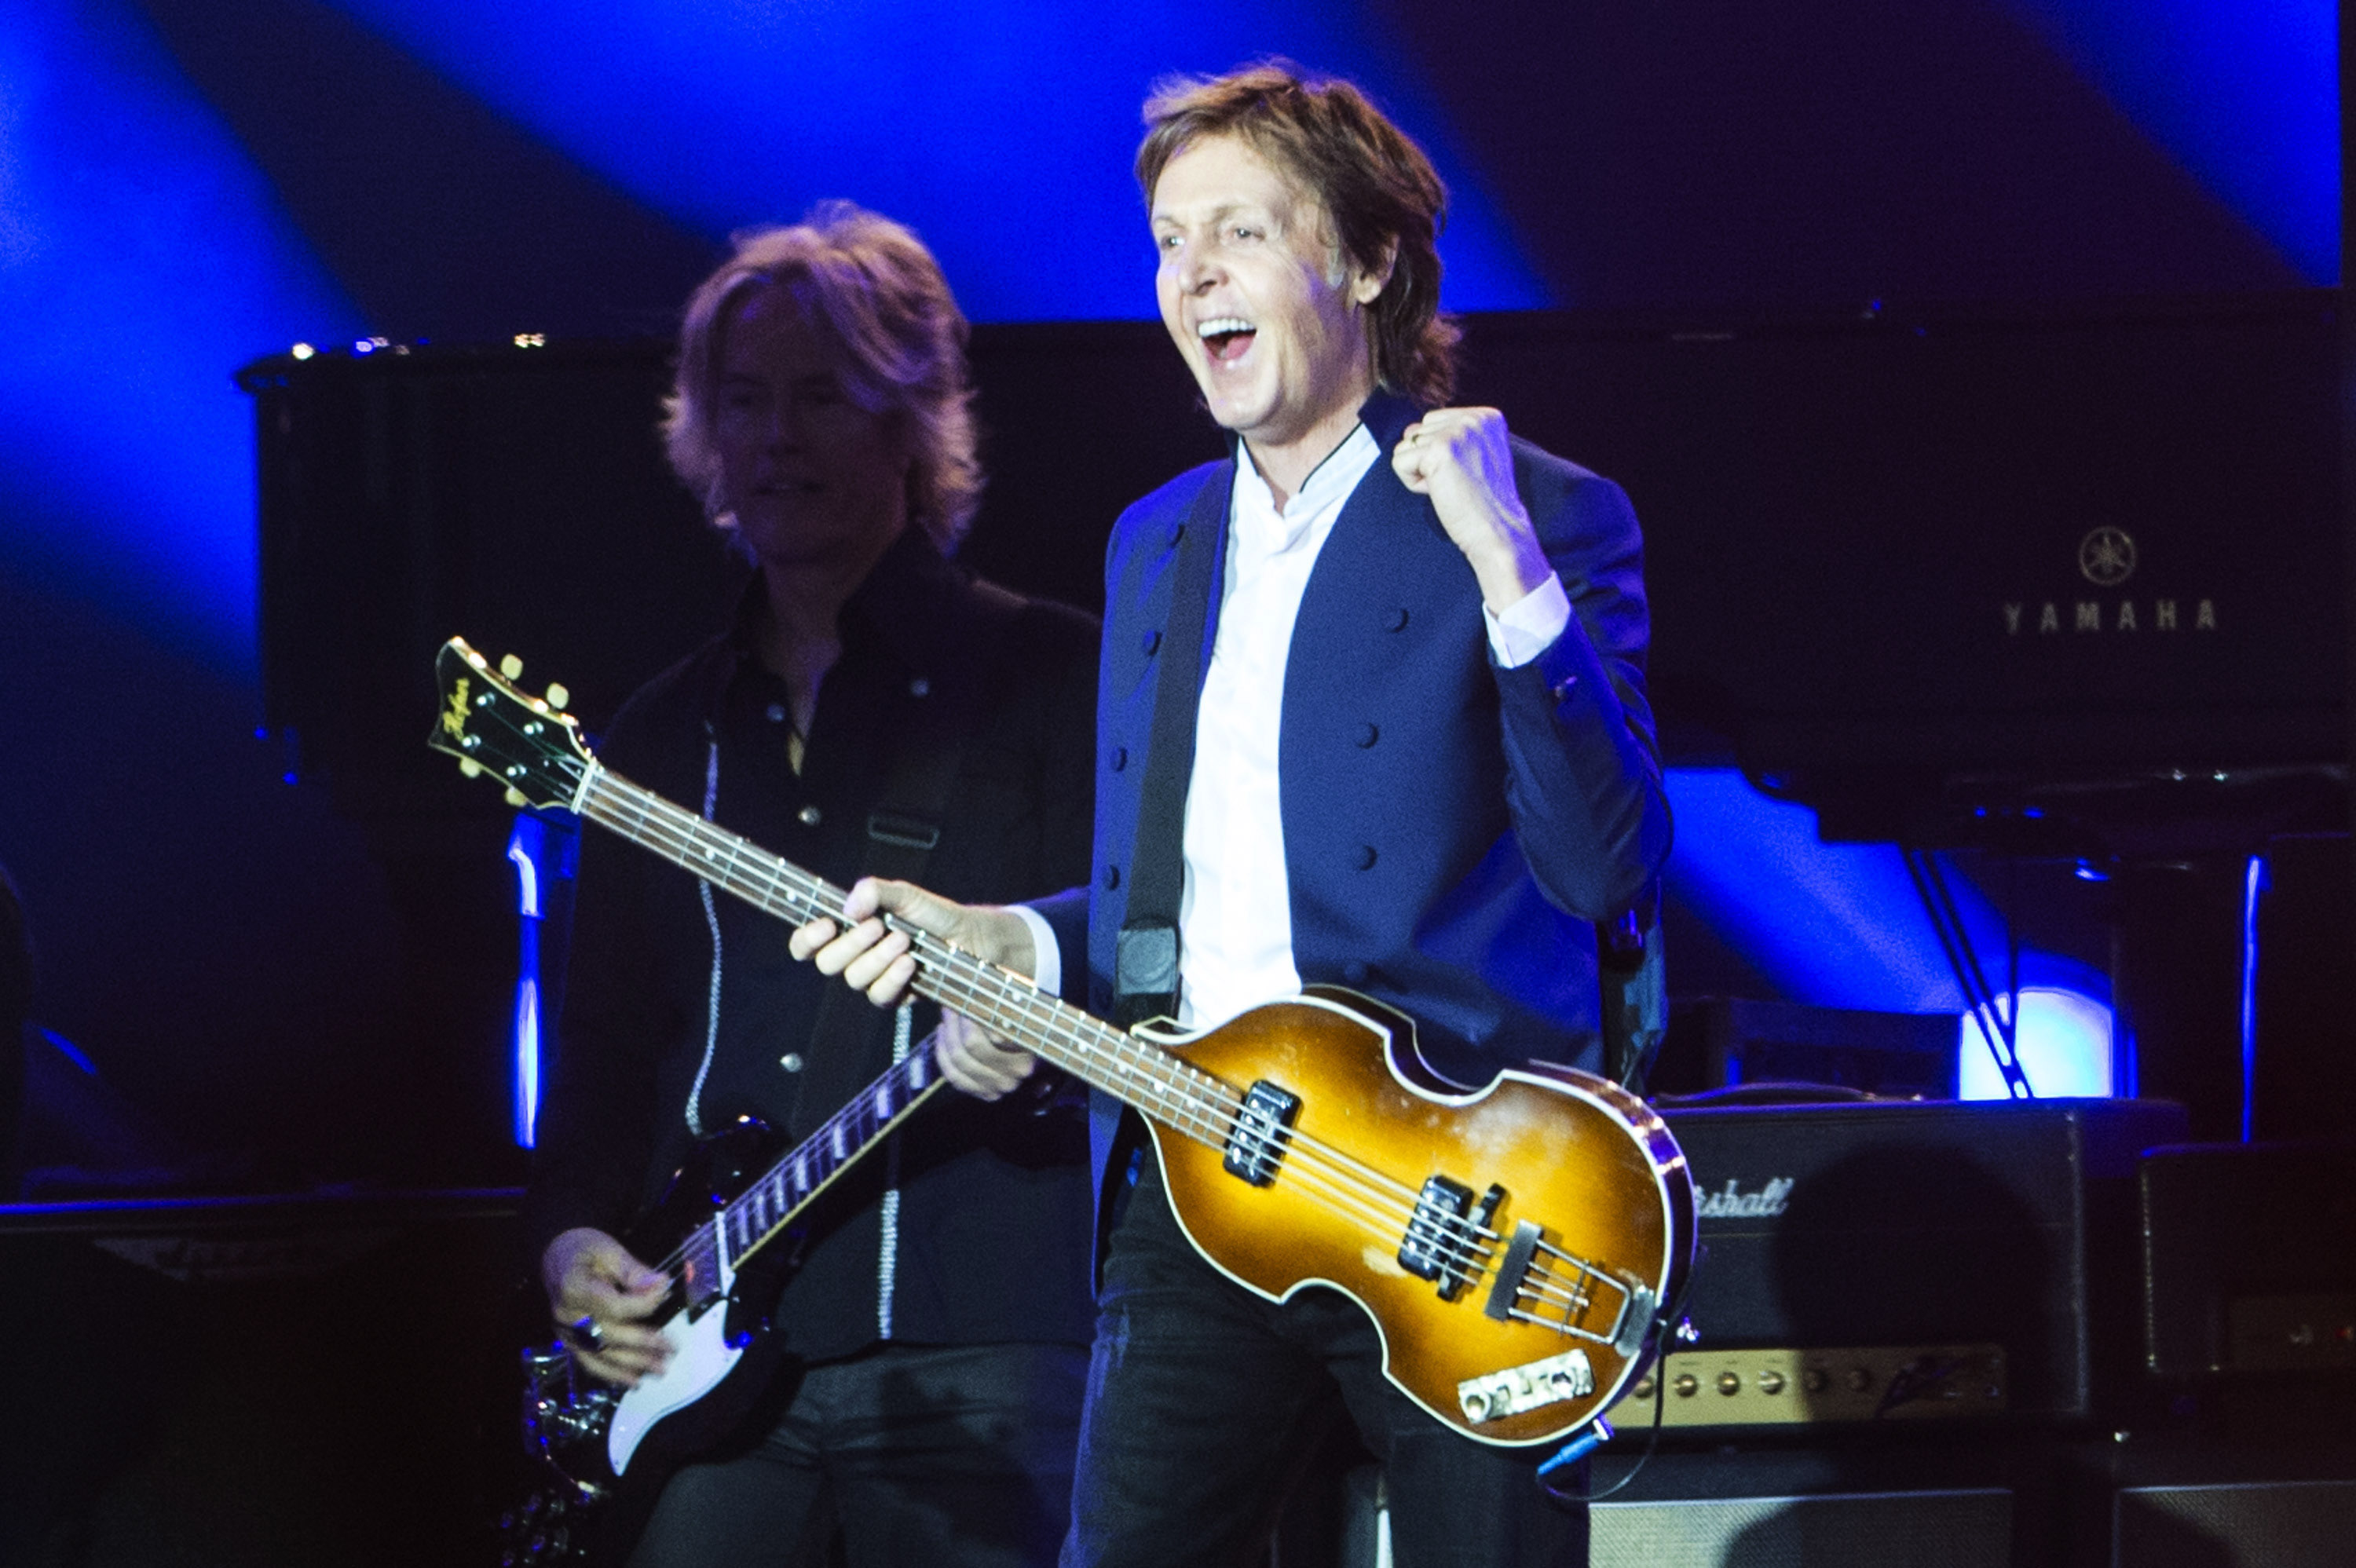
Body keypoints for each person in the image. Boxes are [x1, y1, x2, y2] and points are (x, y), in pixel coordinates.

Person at [796, 64, 1671, 1566]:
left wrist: (1508, 566)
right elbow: (1178, 900)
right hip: (1205, 1182)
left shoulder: (1539, 505)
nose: (1191, 273)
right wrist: (1010, 935)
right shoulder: (1161, 542)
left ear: (1371, 260)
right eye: (1166, 241)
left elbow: (1604, 865)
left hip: (1458, 1201)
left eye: (1240, 234)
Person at [522, 203, 1102, 1568]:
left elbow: (1157, 965)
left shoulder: (1055, 681)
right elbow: (601, 1051)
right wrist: (568, 1246)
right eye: (746, 402)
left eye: (823, 395)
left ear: (912, 417)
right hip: (700, 1361)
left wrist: (1036, 1040)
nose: (777, 437)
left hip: (979, 1333)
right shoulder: (657, 737)